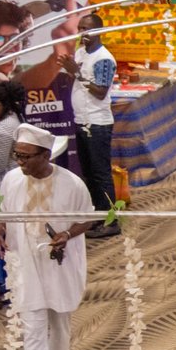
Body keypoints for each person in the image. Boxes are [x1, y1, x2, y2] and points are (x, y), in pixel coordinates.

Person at [0, 124, 99, 350]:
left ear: (46, 155)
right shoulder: (11, 180)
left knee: (59, 320)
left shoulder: (72, 184)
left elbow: (88, 220)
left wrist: (67, 234)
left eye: (26, 156)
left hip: (59, 261)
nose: (20, 162)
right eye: (17, 155)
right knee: (33, 325)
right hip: (24, 261)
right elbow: (2, 214)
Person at [68, 13, 119, 237]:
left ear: (99, 31)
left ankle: (111, 220)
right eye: (80, 28)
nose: (83, 34)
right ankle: (96, 216)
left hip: (97, 123)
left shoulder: (104, 58)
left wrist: (76, 74)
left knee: (101, 174)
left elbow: (100, 92)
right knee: (88, 173)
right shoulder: (80, 52)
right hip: (82, 120)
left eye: (87, 29)